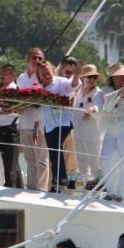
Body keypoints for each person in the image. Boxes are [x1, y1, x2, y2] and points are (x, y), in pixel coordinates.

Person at [100, 64, 124, 202]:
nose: (121, 78)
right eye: (118, 76)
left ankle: (120, 193)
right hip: (111, 128)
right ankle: (110, 190)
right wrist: (122, 90)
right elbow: (107, 106)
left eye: (123, 75)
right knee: (105, 157)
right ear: (113, 77)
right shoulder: (105, 90)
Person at [37, 61, 77, 192]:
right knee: (53, 152)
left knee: (55, 149)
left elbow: (72, 86)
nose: (46, 76)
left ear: (52, 71)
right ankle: (58, 181)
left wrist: (76, 75)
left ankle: (60, 180)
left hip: (62, 122)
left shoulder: (60, 81)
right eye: (43, 74)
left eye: (47, 73)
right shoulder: (41, 88)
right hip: (48, 125)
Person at [17, 48, 49, 191]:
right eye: (35, 58)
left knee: (41, 160)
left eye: (40, 58)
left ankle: (41, 189)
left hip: (40, 125)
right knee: (29, 160)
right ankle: (30, 187)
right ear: (28, 59)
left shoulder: (44, 78)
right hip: (24, 123)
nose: (37, 61)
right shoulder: (21, 78)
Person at [70, 64, 104, 189]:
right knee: (81, 159)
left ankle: (98, 186)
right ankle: (86, 185)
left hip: (92, 132)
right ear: (83, 78)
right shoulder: (78, 89)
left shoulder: (98, 93)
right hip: (77, 129)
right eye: (88, 77)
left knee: (93, 159)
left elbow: (99, 107)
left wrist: (91, 110)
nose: (91, 80)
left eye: (93, 77)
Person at [0, 64, 22, 188]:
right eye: (1, 72)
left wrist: (3, 111)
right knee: (1, 161)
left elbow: (17, 110)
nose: (2, 74)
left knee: (11, 162)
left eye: (5, 72)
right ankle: (14, 186)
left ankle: (11, 186)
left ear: (13, 74)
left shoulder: (16, 91)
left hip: (11, 128)